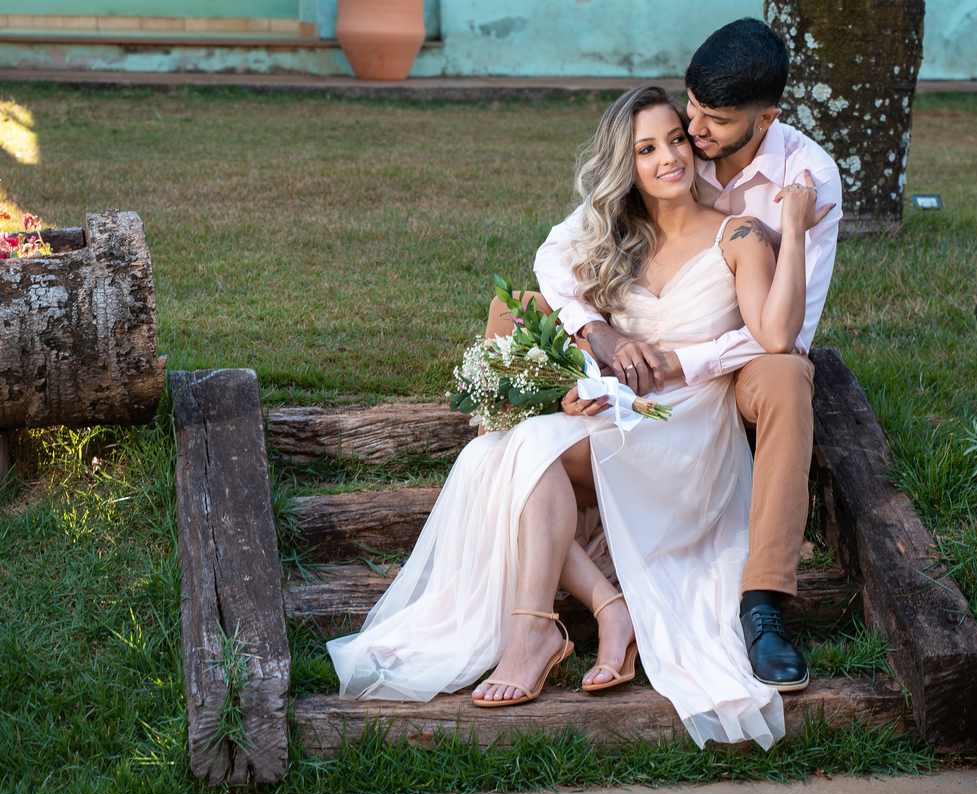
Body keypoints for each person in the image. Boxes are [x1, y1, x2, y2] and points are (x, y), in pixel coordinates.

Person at [328, 84, 828, 749]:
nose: (668, 158)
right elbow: (554, 277)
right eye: (646, 149)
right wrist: (585, 379)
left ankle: (547, 629)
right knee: (503, 450)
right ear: (628, 165)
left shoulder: (738, 234)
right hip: (626, 419)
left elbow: (777, 335)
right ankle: (582, 614)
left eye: (676, 140)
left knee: (511, 452)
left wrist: (793, 227)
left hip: (686, 438)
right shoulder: (616, 240)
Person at [521, 18, 842, 691]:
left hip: (741, 357)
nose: (691, 134)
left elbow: (785, 333)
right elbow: (554, 254)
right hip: (641, 372)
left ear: (766, 118)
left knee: (788, 376)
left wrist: (684, 363)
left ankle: (763, 601)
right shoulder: (671, 144)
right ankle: (572, 597)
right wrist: (599, 339)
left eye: (712, 121)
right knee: (516, 315)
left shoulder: (806, 179)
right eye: (690, 107)